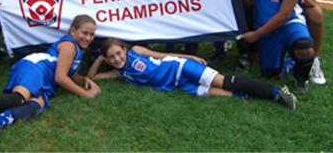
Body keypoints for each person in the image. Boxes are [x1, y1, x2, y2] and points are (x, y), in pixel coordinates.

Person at [0, 15, 103, 145]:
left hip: (46, 80)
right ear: (73, 30)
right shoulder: (69, 44)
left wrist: (83, 80)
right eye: (85, 33)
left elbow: (68, 72)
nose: (88, 38)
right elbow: (60, 77)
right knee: (19, 98)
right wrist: (85, 94)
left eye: (92, 35)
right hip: (35, 67)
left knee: (35, 107)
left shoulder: (78, 49)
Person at [87, 38, 296, 109]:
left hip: (181, 67)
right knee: (223, 94)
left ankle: (275, 92)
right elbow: (93, 77)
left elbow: (164, 55)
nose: (117, 59)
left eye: (118, 53)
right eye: (111, 57)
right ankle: (262, 96)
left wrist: (190, 57)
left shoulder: (135, 51)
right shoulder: (120, 73)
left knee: (224, 82)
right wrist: (100, 59)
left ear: (124, 49)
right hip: (179, 85)